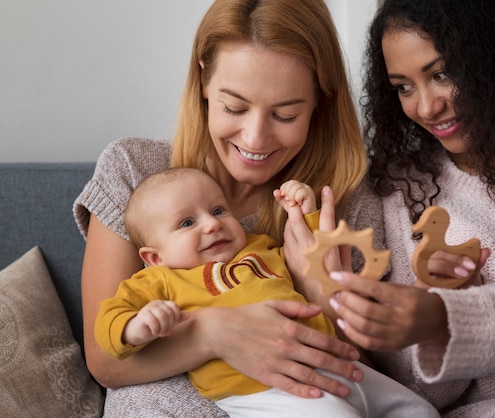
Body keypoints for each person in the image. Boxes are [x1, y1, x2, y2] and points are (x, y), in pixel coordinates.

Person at [284, 0, 495, 416]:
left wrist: (450, 317)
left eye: (441, 74)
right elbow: (414, 394)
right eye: (403, 87)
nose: (425, 108)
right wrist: (429, 316)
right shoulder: (393, 187)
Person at [73, 0, 406, 415]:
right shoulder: (134, 171)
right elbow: (105, 361)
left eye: (285, 114)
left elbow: (372, 379)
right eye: (234, 107)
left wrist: (324, 295)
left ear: (319, 102)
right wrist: (213, 333)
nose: (255, 138)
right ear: (203, 83)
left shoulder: (341, 201)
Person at [94, 167, 439, 418]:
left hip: (333, 363)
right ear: (155, 257)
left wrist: (303, 212)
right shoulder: (160, 281)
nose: (212, 224)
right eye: (187, 223)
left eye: (217, 211)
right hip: (264, 388)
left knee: (417, 409)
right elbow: (109, 322)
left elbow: (311, 251)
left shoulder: (260, 248)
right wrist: (137, 327)